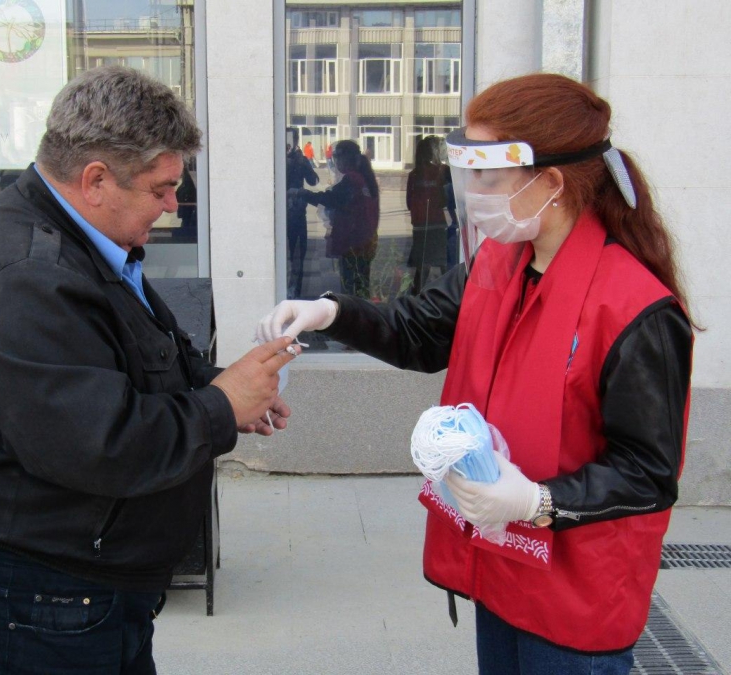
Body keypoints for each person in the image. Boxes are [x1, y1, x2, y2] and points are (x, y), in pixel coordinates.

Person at [258, 73, 694, 675]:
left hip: (575, 599)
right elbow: (421, 330)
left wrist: (539, 501)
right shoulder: (498, 261)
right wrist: (332, 312)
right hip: (502, 565)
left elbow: (647, 474)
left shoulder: (634, 310)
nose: (472, 192)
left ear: (551, 182)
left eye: (488, 176)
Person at [0, 66, 299, 675]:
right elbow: (98, 445)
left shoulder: (84, 243)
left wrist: (221, 384)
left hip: (65, 584)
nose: (173, 205)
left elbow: (135, 354)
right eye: (161, 188)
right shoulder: (27, 277)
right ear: (96, 180)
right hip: (17, 594)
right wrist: (220, 406)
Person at [289, 140, 379, 299]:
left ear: (346, 158)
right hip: (364, 241)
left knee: (351, 287)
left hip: (353, 242)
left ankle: (355, 318)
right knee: (361, 284)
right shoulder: (363, 177)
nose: (335, 161)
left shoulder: (352, 180)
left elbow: (331, 198)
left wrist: (302, 193)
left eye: (336, 156)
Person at [406, 135, 449, 292]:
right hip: (437, 223)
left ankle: (417, 292)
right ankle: (449, 290)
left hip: (419, 224)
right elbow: (445, 199)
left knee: (422, 263)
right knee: (442, 261)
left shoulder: (413, 175)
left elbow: (409, 203)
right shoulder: (441, 172)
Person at [286, 128, 319, 298]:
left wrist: (303, 162)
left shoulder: (300, 160)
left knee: (298, 254)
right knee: (289, 254)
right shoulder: (277, 158)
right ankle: (288, 290)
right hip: (283, 215)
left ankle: (295, 292)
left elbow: (313, 180)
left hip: (297, 213)